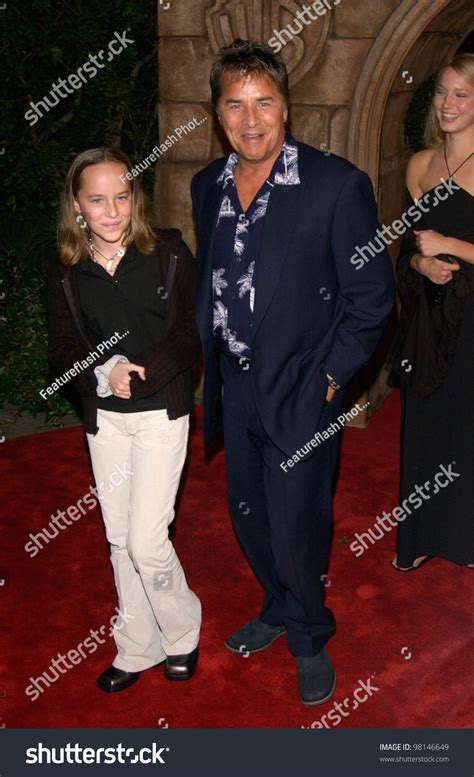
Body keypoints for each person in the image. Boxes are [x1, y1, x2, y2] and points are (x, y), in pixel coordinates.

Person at [192, 39, 394, 706]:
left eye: (265, 103)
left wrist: (334, 377)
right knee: (247, 513)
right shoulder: (207, 186)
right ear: (218, 115)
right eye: (235, 106)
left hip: (304, 385)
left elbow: (371, 297)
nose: (251, 120)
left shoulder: (336, 186)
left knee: (296, 520)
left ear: (286, 107)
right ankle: (278, 604)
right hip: (232, 382)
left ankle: (310, 633)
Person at [48, 147, 202, 692]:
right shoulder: (68, 269)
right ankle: (138, 647)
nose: (112, 211)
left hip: (161, 412)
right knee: (118, 538)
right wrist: (104, 369)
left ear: (133, 196)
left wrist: (145, 371)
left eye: (121, 196)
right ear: (77, 205)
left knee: (146, 541)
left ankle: (182, 632)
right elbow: (63, 348)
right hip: (105, 422)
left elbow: (189, 330)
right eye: (97, 200)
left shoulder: (169, 251)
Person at [391, 53, 474, 572]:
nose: (447, 104)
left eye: (461, 95)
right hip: (433, 314)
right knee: (425, 421)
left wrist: (452, 245)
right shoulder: (419, 165)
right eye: (441, 92)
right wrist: (421, 262)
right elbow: (407, 249)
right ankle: (419, 534)